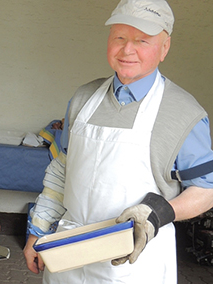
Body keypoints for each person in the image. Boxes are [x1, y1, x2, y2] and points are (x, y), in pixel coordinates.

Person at [23, 0, 213, 283]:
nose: (127, 50)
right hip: (68, 257)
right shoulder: (83, 98)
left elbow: (206, 189)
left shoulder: (185, 113)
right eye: (119, 38)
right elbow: (61, 172)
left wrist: (160, 212)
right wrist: (37, 232)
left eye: (142, 40)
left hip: (135, 264)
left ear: (164, 48)